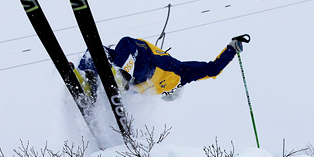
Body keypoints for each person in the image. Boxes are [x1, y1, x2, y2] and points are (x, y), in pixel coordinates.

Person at [77, 35, 250, 100]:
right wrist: (232, 49)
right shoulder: (177, 79)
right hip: (135, 74)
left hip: (143, 63)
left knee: (126, 43)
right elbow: (213, 70)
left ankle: (107, 75)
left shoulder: (181, 74)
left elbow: (213, 69)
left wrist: (232, 48)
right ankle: (89, 81)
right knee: (100, 53)